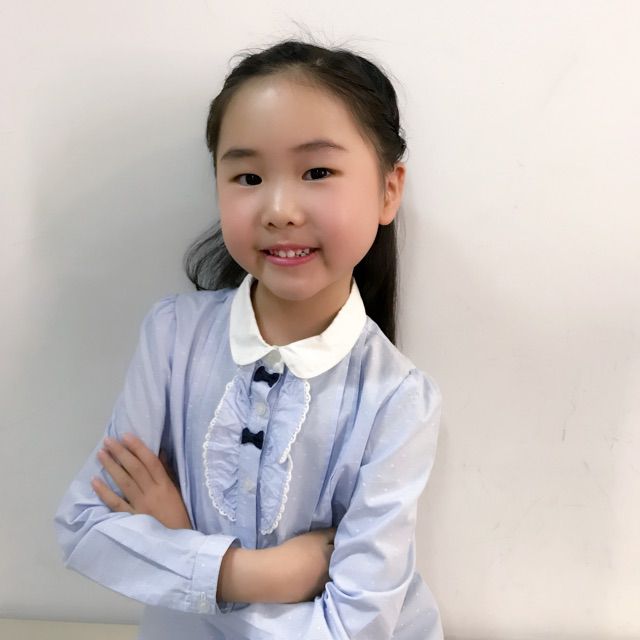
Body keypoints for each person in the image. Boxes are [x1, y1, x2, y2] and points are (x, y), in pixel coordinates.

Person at [54, 37, 443, 640]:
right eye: (249, 175)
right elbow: (85, 526)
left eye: (317, 172)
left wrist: (179, 546)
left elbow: (354, 626)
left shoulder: (398, 399)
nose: (279, 208)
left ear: (388, 190)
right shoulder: (173, 337)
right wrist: (260, 575)